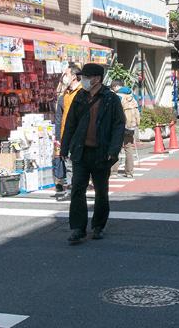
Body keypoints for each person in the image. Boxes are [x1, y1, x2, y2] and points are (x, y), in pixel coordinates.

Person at [60, 63, 125, 244]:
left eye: (86, 77)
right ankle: (78, 228)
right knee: (77, 190)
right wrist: (64, 148)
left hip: (101, 152)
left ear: (96, 79)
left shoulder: (111, 99)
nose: (83, 80)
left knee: (101, 191)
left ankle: (98, 226)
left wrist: (113, 150)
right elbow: (70, 124)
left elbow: (119, 126)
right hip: (80, 151)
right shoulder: (79, 97)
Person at [54, 65, 82, 194]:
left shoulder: (83, 92)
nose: (64, 77)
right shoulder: (65, 95)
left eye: (66, 74)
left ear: (74, 76)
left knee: (79, 164)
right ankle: (72, 188)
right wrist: (58, 137)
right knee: (69, 163)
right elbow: (60, 118)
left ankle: (79, 186)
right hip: (67, 135)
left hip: (81, 135)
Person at [110, 80, 140, 178]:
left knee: (116, 148)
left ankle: (114, 172)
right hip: (131, 125)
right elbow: (139, 110)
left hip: (118, 126)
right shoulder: (132, 95)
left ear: (116, 87)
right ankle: (129, 172)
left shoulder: (116, 96)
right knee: (129, 148)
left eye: (113, 88)